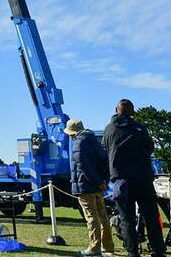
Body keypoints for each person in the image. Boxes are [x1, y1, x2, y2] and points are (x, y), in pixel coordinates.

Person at [103, 99, 165, 257]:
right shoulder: (140, 128)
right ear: (132, 112)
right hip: (142, 178)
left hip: (121, 180)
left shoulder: (109, 129)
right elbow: (149, 148)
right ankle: (158, 251)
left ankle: (132, 252)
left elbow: (105, 150)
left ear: (116, 110)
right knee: (151, 218)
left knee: (126, 219)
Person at [65, 119, 114, 257]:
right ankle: (108, 246)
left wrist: (97, 181)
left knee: (92, 217)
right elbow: (104, 160)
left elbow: (83, 167)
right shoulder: (93, 140)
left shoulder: (78, 143)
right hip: (98, 186)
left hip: (85, 186)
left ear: (72, 132)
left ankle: (94, 248)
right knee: (103, 216)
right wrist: (103, 181)